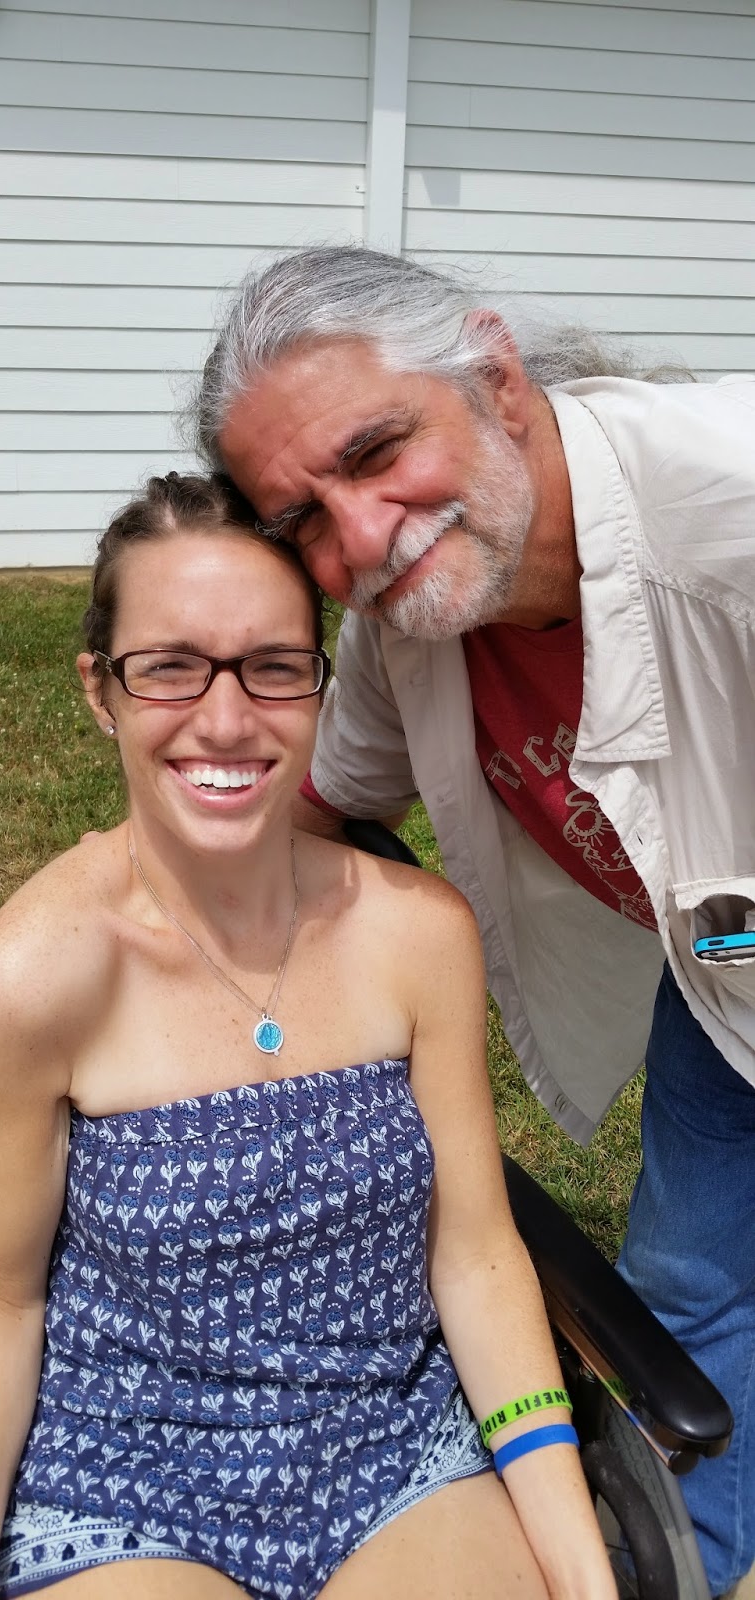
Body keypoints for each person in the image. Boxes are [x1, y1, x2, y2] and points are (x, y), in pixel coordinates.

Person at [0, 472, 616, 1600]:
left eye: (274, 666)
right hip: (123, 1484)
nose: (227, 717)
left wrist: (583, 1571)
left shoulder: (418, 936)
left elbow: (476, 1255)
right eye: (170, 666)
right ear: (101, 690)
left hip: (394, 1455)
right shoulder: (29, 980)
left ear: (319, 684)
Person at [194, 246, 755, 1600]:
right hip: (730, 962)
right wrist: (123, 909)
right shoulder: (416, 615)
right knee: (688, 1281)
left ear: (497, 376)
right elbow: (326, 806)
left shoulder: (731, 505)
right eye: (302, 518)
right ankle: (698, 1560)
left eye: (377, 450)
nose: (361, 537)